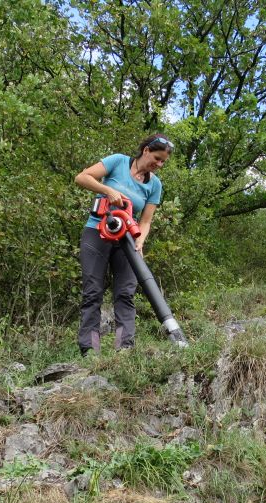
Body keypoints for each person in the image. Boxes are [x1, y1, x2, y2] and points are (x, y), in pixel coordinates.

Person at [74, 133, 173, 356]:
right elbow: (82, 177)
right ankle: (90, 351)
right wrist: (108, 190)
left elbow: (146, 221)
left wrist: (141, 239)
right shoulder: (118, 161)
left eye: (162, 162)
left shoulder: (155, 185)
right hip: (97, 232)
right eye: (156, 158)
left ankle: (124, 350)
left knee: (125, 293)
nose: (158, 165)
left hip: (126, 240)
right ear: (146, 150)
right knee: (93, 291)